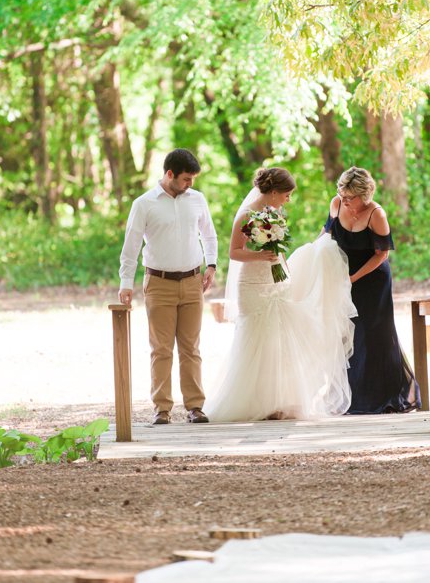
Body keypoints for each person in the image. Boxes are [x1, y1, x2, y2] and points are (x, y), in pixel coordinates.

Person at [203, 167, 355, 422]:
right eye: (286, 195)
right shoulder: (245, 215)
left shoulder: (275, 213)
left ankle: (279, 401)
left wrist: (285, 272)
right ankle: (251, 402)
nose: (288, 200)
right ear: (273, 192)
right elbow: (234, 252)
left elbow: (280, 249)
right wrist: (260, 255)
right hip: (252, 283)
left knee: (280, 342)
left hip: (276, 281)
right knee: (255, 338)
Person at [119, 149, 219, 425]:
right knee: (161, 348)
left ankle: (195, 406)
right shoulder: (144, 203)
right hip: (159, 283)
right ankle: (162, 408)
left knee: (191, 347)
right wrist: (125, 282)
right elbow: (131, 246)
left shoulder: (197, 200)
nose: (190, 184)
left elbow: (209, 235)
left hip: (192, 281)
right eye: (186, 179)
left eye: (193, 179)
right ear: (170, 174)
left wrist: (211, 265)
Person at [324, 166, 421, 414]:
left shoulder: (376, 214)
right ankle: (354, 398)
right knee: (351, 334)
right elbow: (326, 235)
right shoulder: (337, 204)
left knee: (376, 333)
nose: (345, 201)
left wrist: (354, 277)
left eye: (350, 198)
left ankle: (384, 396)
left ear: (364, 196)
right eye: (342, 195)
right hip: (344, 277)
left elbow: (382, 254)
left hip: (372, 279)